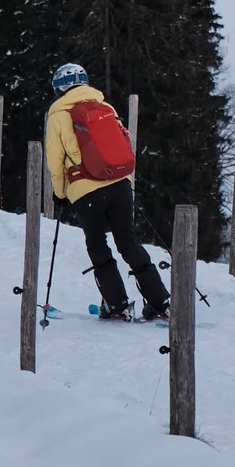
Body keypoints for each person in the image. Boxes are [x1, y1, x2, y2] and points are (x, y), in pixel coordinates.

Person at [43, 62, 169, 321]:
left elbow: (55, 161)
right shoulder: (105, 107)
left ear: (59, 88)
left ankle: (117, 304)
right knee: (128, 242)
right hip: (119, 184)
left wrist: (60, 193)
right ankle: (160, 301)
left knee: (98, 245)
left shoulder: (58, 115)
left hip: (85, 190)